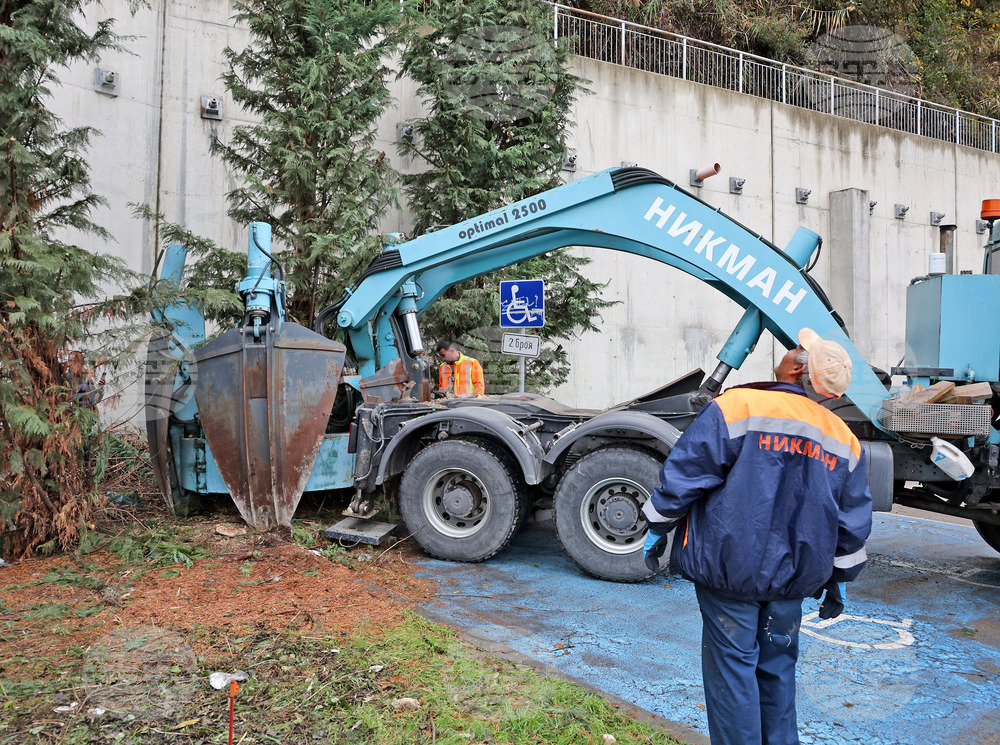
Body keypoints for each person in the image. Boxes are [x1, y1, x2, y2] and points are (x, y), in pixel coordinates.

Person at [641, 328, 872, 745]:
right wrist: (838, 579)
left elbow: (688, 474)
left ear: (797, 369)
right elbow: (851, 521)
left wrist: (657, 526)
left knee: (732, 673)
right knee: (778, 667)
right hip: (794, 581)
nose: (787, 351)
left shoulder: (738, 406)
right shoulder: (843, 438)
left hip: (732, 572)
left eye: (795, 350)